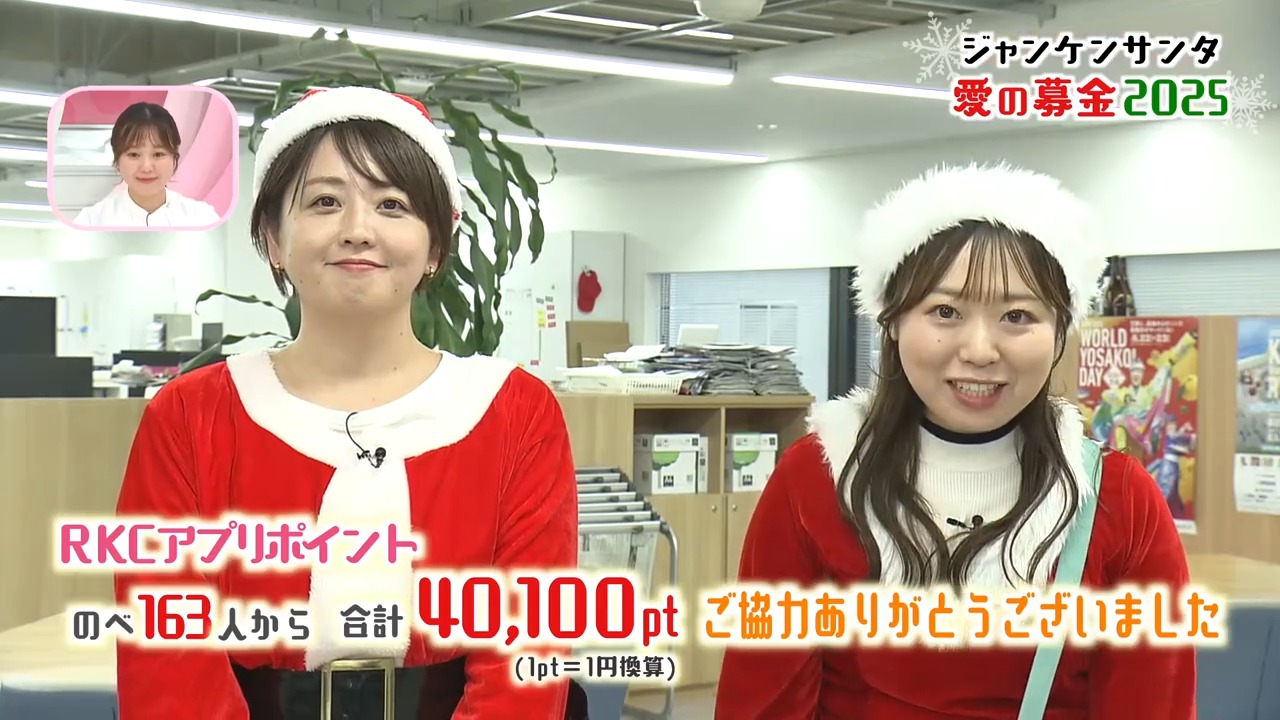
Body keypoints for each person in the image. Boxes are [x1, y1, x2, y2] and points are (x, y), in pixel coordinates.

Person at [113, 86, 585, 719]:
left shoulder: (514, 412)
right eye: (324, 202)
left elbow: (525, 658)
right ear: (273, 238)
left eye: (393, 204)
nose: (358, 231)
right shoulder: (190, 415)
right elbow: (166, 663)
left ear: (436, 245)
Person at [715, 164, 1195, 718]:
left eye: (1017, 315)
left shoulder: (1118, 500)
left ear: (1060, 330)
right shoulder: (816, 479)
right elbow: (762, 702)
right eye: (945, 311)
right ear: (892, 321)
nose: (980, 351)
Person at [71, 101, 221, 228]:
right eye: (134, 155)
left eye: (158, 154)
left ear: (174, 157)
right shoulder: (91, 221)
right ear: (117, 159)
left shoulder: (202, 218)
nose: (146, 167)